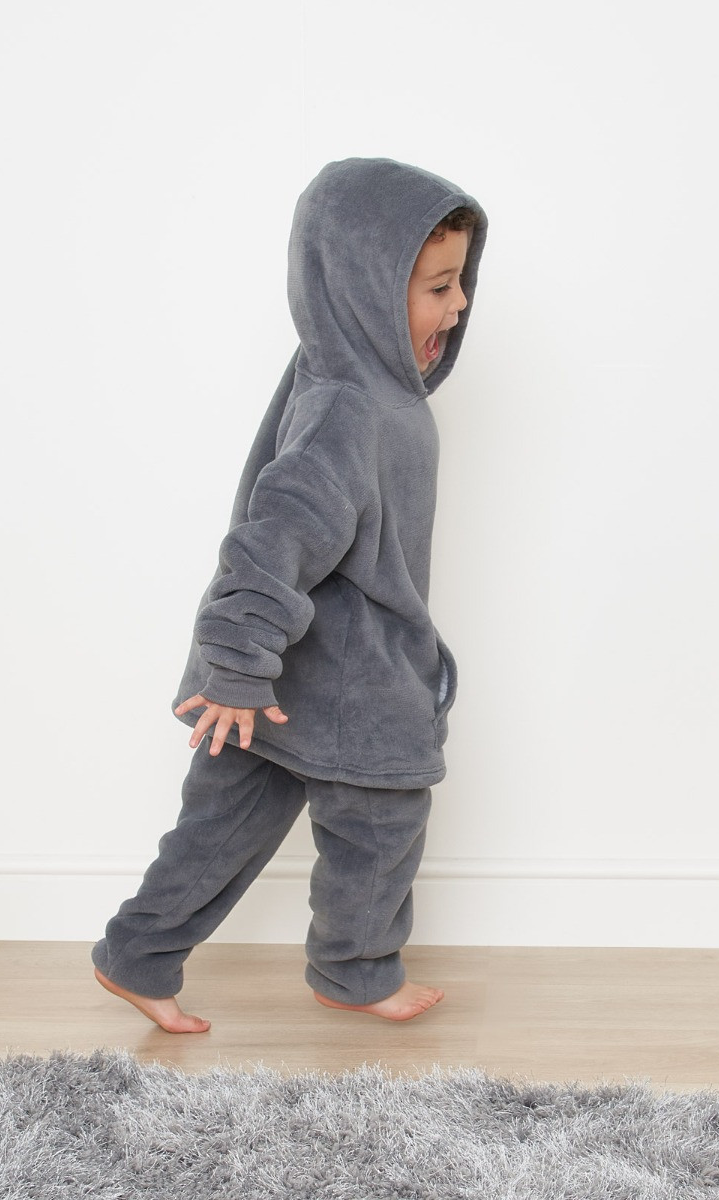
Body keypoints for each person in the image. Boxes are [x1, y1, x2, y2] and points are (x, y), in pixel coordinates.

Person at [92, 157, 487, 1033]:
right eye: (437, 287)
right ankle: (355, 972)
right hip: (336, 679)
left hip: (281, 675)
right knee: (381, 823)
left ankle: (137, 955)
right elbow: (275, 535)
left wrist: (240, 668)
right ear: (363, 290)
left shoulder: (347, 376)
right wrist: (237, 663)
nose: (459, 304)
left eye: (460, 281)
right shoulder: (352, 407)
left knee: (220, 829)